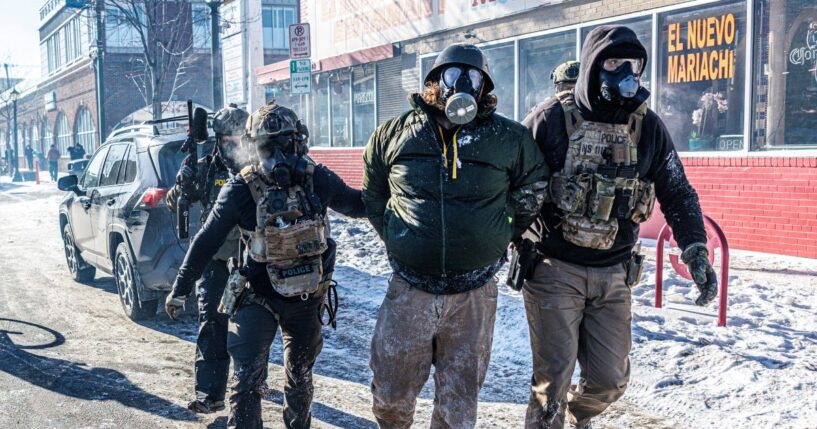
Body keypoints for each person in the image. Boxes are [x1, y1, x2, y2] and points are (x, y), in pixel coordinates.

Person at [520, 26, 717, 429]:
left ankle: (579, 416)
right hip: (555, 268)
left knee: (610, 382)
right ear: (594, 66)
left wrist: (695, 249)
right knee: (549, 383)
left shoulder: (647, 126)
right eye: (614, 63)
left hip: (614, 273)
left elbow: (677, 191)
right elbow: (508, 186)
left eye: (634, 66)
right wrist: (508, 243)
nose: (625, 74)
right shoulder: (549, 119)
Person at [362, 43, 548, 429]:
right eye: (452, 75)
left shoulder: (508, 138)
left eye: (473, 77)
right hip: (410, 287)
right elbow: (375, 192)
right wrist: (397, 234)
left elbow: (534, 185)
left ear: (484, 88)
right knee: (391, 395)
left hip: (474, 294)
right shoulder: (394, 134)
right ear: (434, 82)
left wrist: (501, 230)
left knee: (458, 405)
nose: (462, 83)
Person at [167, 102, 365, 429]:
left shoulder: (318, 179)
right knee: (245, 381)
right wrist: (181, 288)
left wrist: (393, 186)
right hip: (256, 297)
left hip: (306, 297)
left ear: (299, 142)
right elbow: (206, 239)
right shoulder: (241, 189)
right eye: (267, 146)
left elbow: (359, 204)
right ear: (253, 148)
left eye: (285, 143)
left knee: (300, 378)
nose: (279, 154)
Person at [164, 104, 250, 414]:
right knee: (212, 324)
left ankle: (254, 382)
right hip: (216, 260)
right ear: (218, 139)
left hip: (250, 260)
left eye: (240, 138)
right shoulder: (206, 167)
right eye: (228, 139)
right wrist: (182, 185)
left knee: (251, 327)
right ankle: (209, 394)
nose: (234, 145)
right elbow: (175, 203)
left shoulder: (257, 165)